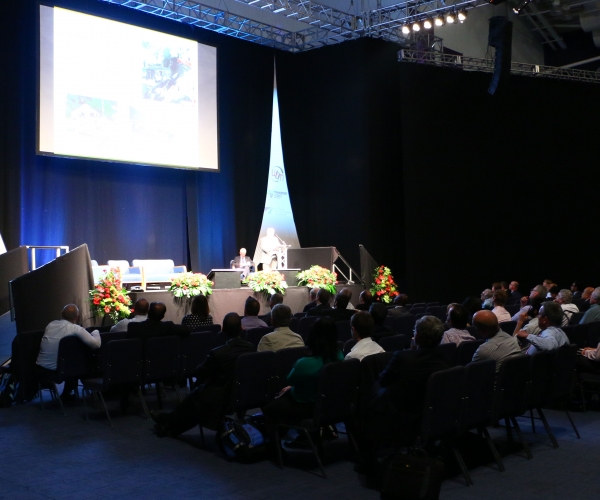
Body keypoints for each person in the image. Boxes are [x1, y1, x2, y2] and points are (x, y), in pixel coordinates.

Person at [356, 315, 451, 482]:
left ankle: (368, 461)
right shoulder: (444, 358)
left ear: (418, 336)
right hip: (426, 414)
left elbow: (383, 380)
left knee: (368, 399)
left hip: (401, 415)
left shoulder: (404, 357)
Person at [151, 313, 255, 436]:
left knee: (196, 397)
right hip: (241, 393)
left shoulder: (218, 353)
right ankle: (167, 422)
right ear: (241, 328)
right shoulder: (251, 348)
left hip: (220, 396)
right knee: (195, 397)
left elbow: (200, 373)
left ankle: (168, 425)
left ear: (223, 330)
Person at [262, 317, 343, 447]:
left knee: (270, 409)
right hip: (330, 405)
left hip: (305, 406)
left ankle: (273, 449)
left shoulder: (305, 363)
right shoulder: (340, 356)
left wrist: (291, 388)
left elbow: (291, 379)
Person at [36, 304, 101, 399]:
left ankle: (68, 393)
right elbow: (96, 344)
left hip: (40, 369)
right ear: (77, 317)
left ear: (61, 314)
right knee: (83, 361)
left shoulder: (51, 325)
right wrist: (96, 332)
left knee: (72, 358)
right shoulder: (75, 329)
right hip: (59, 371)